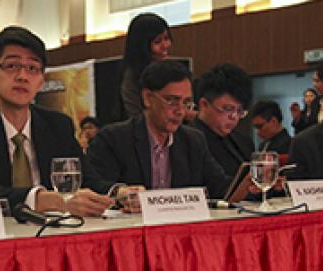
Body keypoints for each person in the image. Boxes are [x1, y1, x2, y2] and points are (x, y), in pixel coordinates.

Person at [0, 26, 114, 216]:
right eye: (12, 66)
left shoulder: (58, 125)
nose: (23, 76)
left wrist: (117, 193)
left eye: (32, 68)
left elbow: (89, 180)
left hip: (56, 231)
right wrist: (41, 199)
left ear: (41, 81)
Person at [88, 61, 232, 198]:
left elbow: (221, 187)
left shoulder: (193, 140)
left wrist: (249, 183)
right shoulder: (113, 139)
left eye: (186, 103)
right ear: (148, 98)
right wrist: (121, 193)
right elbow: (96, 187)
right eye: (172, 101)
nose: (181, 111)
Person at [191, 64, 254, 176]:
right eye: (228, 109)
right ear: (204, 104)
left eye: (240, 111)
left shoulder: (244, 142)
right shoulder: (186, 142)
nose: (234, 117)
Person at [117, 13, 172, 120]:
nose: (165, 45)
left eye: (166, 38)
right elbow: (136, 117)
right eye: (157, 41)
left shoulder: (170, 70)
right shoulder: (131, 78)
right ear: (142, 46)